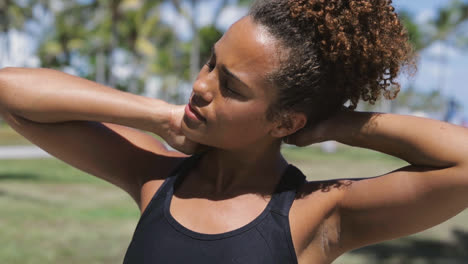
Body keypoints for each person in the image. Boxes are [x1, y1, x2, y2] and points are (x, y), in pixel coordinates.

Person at [0, 0, 467, 263]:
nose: (200, 86)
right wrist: (160, 116)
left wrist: (336, 125)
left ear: (285, 121)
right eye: (210, 61)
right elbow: (10, 91)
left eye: (230, 87)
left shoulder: (317, 216)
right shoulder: (155, 177)